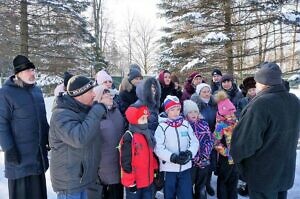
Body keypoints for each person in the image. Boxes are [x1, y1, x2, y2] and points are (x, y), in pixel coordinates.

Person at [231, 62, 300, 199]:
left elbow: (245, 143)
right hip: (284, 170)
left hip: (263, 174)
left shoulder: (261, 104)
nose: (255, 86)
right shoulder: (294, 100)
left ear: (264, 83)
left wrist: (238, 161)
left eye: (256, 82)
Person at [49, 75, 111, 199]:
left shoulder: (81, 109)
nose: (94, 95)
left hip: (81, 179)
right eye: (90, 92)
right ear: (79, 94)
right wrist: (99, 108)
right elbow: (79, 138)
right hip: (69, 184)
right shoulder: (61, 115)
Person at [0, 55, 49, 199]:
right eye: (28, 70)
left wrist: (48, 138)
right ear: (18, 74)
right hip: (19, 159)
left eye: (33, 70)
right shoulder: (6, 94)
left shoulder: (37, 91)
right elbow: (1, 124)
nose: (32, 73)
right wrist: (9, 149)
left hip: (37, 156)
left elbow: (42, 118)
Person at [154, 95, 199, 199]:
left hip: (185, 168)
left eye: (178, 109)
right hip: (169, 170)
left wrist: (189, 153)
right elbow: (158, 148)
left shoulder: (185, 124)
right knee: (169, 195)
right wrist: (172, 157)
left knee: (186, 195)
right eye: (172, 109)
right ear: (167, 111)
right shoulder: (162, 127)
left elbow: (194, 142)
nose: (175, 112)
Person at [87, 86, 125, 199]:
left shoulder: (116, 110)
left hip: (119, 162)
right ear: (98, 98)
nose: (109, 97)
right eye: (105, 95)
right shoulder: (94, 115)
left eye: (110, 94)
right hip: (103, 166)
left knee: (118, 193)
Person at [119, 105, 158, 199]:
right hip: (135, 183)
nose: (145, 122)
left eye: (146, 118)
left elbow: (151, 155)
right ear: (134, 120)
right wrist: (130, 182)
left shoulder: (147, 134)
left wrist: (155, 170)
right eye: (142, 119)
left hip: (148, 181)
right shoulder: (129, 137)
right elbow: (125, 162)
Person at [183, 100, 214, 199]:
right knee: (189, 185)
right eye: (190, 112)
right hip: (190, 163)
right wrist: (196, 159)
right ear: (186, 113)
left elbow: (210, 139)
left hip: (204, 161)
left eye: (195, 111)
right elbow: (184, 145)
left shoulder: (203, 123)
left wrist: (205, 155)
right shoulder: (184, 126)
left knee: (201, 186)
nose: (193, 114)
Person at [190, 83, 218, 196]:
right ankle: (198, 186)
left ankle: (207, 184)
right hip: (200, 138)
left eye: (208, 91)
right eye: (204, 92)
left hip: (213, 136)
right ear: (199, 93)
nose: (207, 94)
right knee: (200, 164)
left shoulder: (213, 104)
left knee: (210, 162)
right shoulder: (196, 105)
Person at [213, 90, 239, 199]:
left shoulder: (235, 122)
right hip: (225, 159)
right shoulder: (220, 125)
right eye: (229, 112)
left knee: (234, 180)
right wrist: (227, 153)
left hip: (236, 157)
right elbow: (216, 142)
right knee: (223, 180)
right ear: (222, 113)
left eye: (232, 112)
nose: (231, 114)